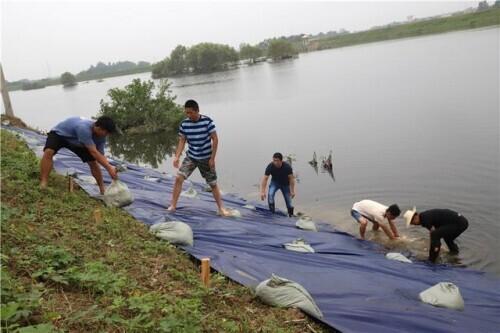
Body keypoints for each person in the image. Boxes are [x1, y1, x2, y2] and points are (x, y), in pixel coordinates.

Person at [167, 99, 228, 216]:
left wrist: (212, 158)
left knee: (213, 184)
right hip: (192, 157)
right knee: (178, 178)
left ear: (197, 111)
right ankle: (173, 205)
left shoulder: (207, 122)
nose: (188, 115)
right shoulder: (184, 124)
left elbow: (215, 139)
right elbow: (182, 141)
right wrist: (177, 156)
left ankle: (221, 208)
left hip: (206, 157)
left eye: (190, 113)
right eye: (186, 113)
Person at [40, 116, 118, 194]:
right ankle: (44, 182)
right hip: (60, 135)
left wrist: (110, 167)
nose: (106, 135)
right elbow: (94, 152)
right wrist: (109, 168)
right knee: (49, 152)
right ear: (98, 127)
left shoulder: (101, 137)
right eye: (106, 132)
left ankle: (102, 189)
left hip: (78, 142)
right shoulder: (84, 128)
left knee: (93, 163)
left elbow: (100, 155)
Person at [404, 207, 469, 262]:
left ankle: (432, 260)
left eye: (412, 223)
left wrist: (434, 247)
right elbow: (433, 231)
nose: (414, 225)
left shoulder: (424, 219)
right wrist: (433, 243)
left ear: (415, 217)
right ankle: (454, 254)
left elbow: (434, 234)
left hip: (459, 223)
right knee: (447, 238)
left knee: (436, 235)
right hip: (461, 222)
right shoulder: (424, 216)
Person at [260, 152, 296, 217]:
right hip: (275, 183)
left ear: (281, 160)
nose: (275, 162)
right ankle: (272, 214)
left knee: (289, 202)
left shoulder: (287, 167)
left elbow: (291, 179)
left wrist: (292, 191)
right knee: (270, 195)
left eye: (277, 161)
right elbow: (265, 179)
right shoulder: (270, 166)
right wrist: (262, 191)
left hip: (285, 184)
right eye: (274, 160)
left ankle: (291, 215)